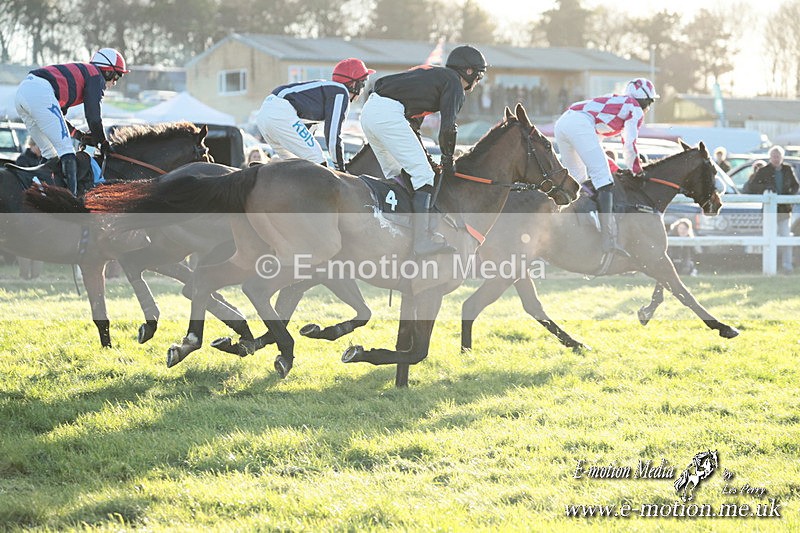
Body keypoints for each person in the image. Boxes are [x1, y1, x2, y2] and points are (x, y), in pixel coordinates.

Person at [360, 45, 488, 256]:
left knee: (397, 175)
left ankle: (395, 231)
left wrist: (428, 157)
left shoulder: (435, 78)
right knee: (424, 175)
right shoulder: (454, 84)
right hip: (388, 114)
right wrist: (447, 162)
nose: (478, 80)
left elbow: (413, 128)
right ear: (469, 71)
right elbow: (447, 127)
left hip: (370, 112)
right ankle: (422, 240)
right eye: (479, 74)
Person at [554, 77, 659, 261]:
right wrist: (637, 170)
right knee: (603, 181)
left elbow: (597, 150)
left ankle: (567, 229)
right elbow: (629, 143)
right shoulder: (634, 108)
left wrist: (616, 169)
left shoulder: (615, 102)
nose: (648, 107)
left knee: (578, 182)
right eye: (649, 102)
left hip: (563, 123)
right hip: (577, 123)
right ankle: (608, 239)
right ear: (644, 99)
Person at [14, 48, 128, 195]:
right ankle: (71, 201)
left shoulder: (79, 77)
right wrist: (103, 142)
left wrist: (79, 135)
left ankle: (42, 193)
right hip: (39, 91)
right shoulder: (96, 76)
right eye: (117, 76)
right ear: (108, 71)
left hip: (23, 93)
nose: (114, 83)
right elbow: (93, 117)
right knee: (66, 150)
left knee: (50, 153)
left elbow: (60, 119)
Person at [255, 58, 374, 172]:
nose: (363, 89)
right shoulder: (340, 92)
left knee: (295, 166)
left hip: (265, 114)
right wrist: (341, 169)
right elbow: (333, 137)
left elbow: (308, 134)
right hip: (280, 112)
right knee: (318, 161)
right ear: (353, 84)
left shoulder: (323, 94)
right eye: (363, 83)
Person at [743, 145, 800, 273]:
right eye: (774, 156)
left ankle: (787, 266)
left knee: (786, 238)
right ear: (770, 157)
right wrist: (766, 188)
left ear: (782, 157)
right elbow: (752, 187)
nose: (776, 158)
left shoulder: (787, 169)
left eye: (778, 156)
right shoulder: (764, 171)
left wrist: (789, 196)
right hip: (769, 211)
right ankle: (769, 266)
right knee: (769, 238)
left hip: (784, 210)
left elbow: (795, 185)